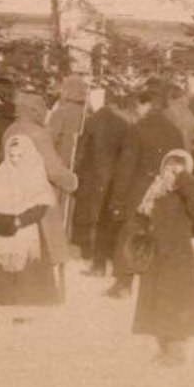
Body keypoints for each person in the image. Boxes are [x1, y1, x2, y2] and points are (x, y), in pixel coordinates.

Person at [104, 85, 184, 299]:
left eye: (138, 105)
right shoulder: (175, 131)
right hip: (167, 189)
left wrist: (117, 200)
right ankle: (156, 284)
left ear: (146, 105)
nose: (136, 110)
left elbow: (126, 167)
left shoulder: (137, 130)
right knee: (158, 234)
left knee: (129, 234)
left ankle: (123, 283)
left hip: (139, 190)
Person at [131, 150, 194, 366]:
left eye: (178, 167)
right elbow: (142, 215)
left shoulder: (188, 190)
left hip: (177, 256)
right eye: (168, 165)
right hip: (156, 253)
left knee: (175, 302)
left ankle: (176, 351)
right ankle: (164, 348)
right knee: (155, 302)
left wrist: (184, 181)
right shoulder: (156, 188)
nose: (171, 171)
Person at [2, 91, 79, 298]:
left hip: (11, 194)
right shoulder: (38, 133)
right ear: (35, 111)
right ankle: (36, 293)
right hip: (35, 196)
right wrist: (71, 180)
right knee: (39, 245)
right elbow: (52, 169)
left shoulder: (10, 129)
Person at [0, 135, 58, 321]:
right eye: (11, 155)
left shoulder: (36, 174)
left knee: (26, 272)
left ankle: (23, 311)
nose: (14, 160)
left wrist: (20, 221)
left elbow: (41, 206)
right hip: (0, 227)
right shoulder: (0, 173)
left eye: (20, 156)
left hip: (23, 227)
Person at [73, 88, 131, 277]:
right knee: (108, 220)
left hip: (92, 178)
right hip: (114, 178)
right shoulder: (123, 123)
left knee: (93, 218)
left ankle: (95, 261)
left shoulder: (90, 122)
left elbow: (81, 153)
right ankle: (109, 259)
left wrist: (76, 174)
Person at [46, 75, 89, 256]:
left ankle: (58, 241)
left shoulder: (61, 112)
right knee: (72, 204)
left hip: (61, 164)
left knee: (59, 203)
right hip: (79, 165)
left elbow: (49, 139)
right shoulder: (87, 113)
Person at [164, 83, 194, 153]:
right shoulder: (182, 112)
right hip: (182, 150)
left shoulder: (173, 111)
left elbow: (187, 135)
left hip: (181, 150)